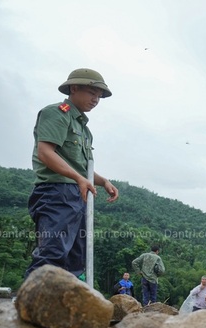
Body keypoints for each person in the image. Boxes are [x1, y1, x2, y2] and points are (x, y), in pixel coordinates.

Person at [25, 68, 119, 279]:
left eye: (99, 96)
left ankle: (64, 309)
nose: (96, 99)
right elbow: (45, 153)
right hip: (56, 193)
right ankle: (33, 308)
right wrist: (78, 178)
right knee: (52, 253)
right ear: (74, 88)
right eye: (92, 93)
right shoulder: (57, 113)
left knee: (76, 259)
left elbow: (79, 167)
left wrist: (103, 181)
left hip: (78, 195)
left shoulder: (84, 129)